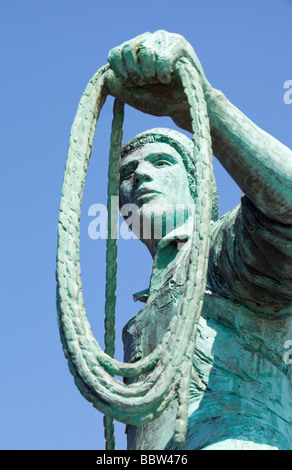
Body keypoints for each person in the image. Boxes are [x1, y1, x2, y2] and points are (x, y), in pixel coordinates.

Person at [107, 31, 292, 450]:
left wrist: (199, 107)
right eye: (127, 173)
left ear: (197, 185)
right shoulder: (143, 311)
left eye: (161, 162)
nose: (140, 176)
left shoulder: (223, 250)